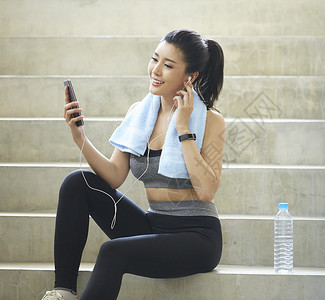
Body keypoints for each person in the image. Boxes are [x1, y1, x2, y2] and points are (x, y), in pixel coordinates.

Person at [42, 29, 225, 300]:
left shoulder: (210, 120)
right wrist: (79, 137)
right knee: (76, 183)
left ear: (191, 76)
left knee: (112, 251)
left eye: (168, 65)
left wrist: (184, 128)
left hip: (197, 237)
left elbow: (207, 190)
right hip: (153, 225)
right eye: (155, 59)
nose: (156, 70)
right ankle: (63, 291)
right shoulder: (140, 113)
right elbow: (114, 176)